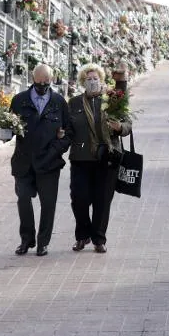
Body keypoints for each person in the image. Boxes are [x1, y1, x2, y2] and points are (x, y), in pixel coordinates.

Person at [67, 64, 132, 253]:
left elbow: (127, 124)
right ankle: (82, 235)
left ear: (102, 80)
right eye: (89, 79)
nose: (93, 82)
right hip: (81, 158)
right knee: (79, 198)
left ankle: (98, 239)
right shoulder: (74, 103)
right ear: (82, 82)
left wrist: (120, 128)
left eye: (96, 78)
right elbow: (69, 126)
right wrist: (63, 135)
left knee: (102, 200)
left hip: (107, 157)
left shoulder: (112, 99)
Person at [9, 64, 71, 257]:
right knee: (24, 199)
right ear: (32, 79)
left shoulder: (59, 102)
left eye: (46, 82)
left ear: (51, 80)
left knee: (48, 203)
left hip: (49, 162)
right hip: (24, 161)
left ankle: (43, 242)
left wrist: (55, 150)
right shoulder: (20, 100)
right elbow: (10, 127)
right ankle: (27, 239)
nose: (42, 85)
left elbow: (68, 134)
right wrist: (6, 130)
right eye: (39, 82)